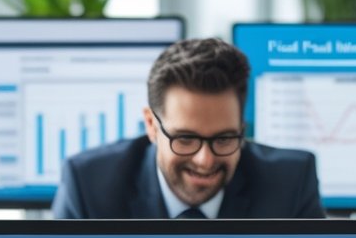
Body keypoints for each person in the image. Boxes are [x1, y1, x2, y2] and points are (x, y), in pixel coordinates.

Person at [51, 37, 324, 219]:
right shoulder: (88, 186)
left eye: (225, 138)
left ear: (241, 127)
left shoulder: (291, 183)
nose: (205, 160)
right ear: (151, 126)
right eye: (185, 138)